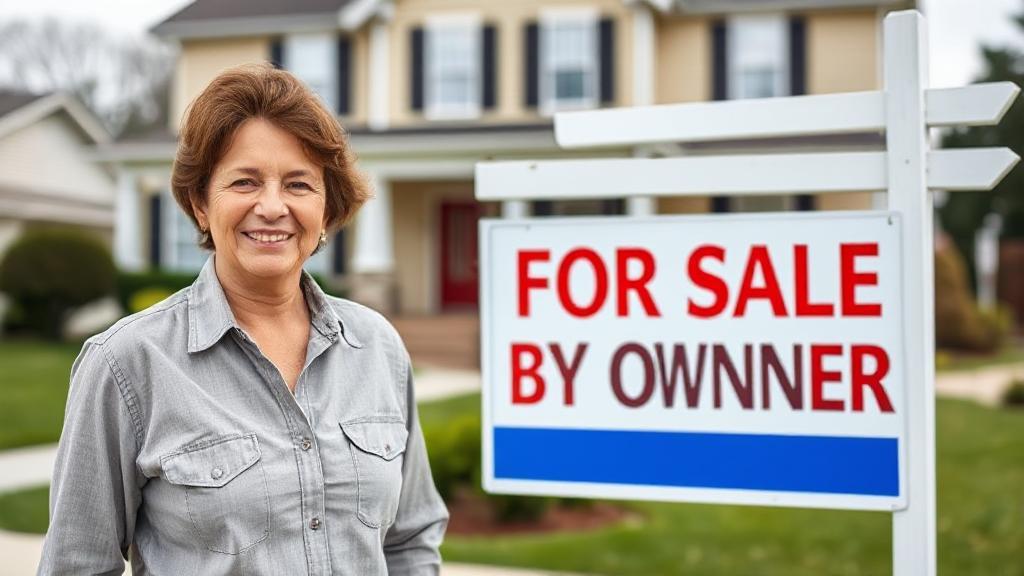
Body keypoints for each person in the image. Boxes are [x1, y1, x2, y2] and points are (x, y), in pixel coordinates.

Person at [38, 63, 448, 575]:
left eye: (299, 184)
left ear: (326, 207)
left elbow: (410, 541)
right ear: (201, 204)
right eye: (245, 182)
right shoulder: (126, 364)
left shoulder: (377, 346)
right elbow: (77, 565)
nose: (272, 207)